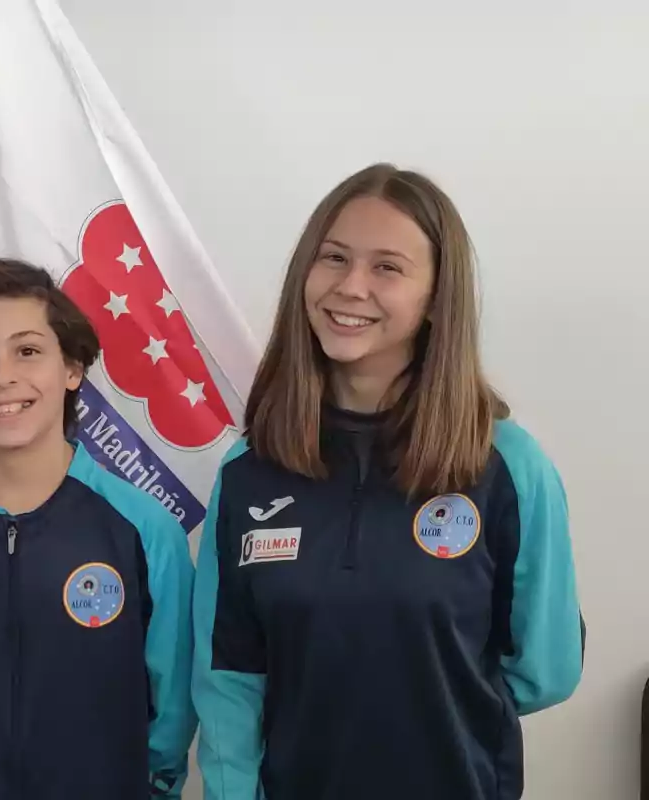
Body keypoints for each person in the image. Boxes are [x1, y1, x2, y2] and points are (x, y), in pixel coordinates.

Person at [192, 163, 584, 800]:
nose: (351, 287)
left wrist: (435, 714)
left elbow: (546, 668)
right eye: (335, 258)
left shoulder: (508, 466)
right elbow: (230, 678)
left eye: (387, 267)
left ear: (436, 299)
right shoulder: (249, 472)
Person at [0, 258, 196, 799]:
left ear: (71, 367)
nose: (3, 376)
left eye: (27, 351)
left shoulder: (144, 528)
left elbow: (172, 709)